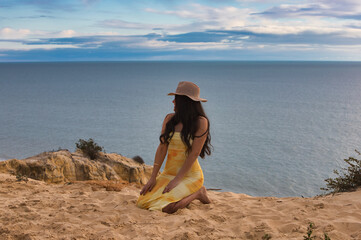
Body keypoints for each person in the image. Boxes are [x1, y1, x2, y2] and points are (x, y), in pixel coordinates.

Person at [136, 81, 212, 214]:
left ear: (185, 102)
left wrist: (177, 179)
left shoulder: (201, 122)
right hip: (168, 174)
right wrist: (153, 177)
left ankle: (199, 193)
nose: (172, 102)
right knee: (143, 202)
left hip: (189, 175)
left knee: (168, 208)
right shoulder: (169, 119)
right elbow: (162, 148)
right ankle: (188, 192)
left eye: (176, 99)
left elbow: (194, 154)